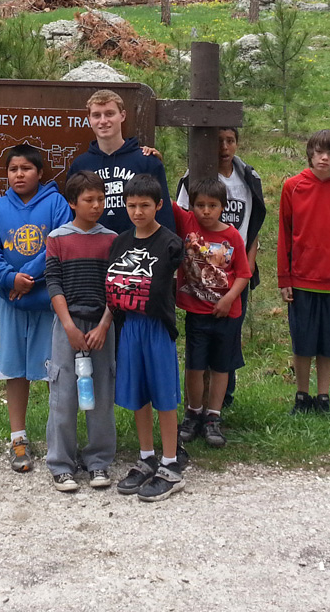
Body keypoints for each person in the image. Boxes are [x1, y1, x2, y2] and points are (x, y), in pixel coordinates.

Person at [0, 143, 71, 473]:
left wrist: (27, 276)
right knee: (14, 369)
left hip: (48, 300)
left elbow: (58, 243)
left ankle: (58, 437)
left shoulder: (57, 204)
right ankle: (18, 438)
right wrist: (8, 279)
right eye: (13, 169)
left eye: (26, 168)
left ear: (40, 172)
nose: (19, 174)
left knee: (54, 370)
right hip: (11, 302)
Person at [106, 174, 186, 502]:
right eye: (132, 205)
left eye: (145, 206)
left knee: (163, 394)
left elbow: (177, 286)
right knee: (138, 394)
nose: (138, 212)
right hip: (130, 327)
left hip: (157, 326)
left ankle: (171, 464)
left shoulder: (170, 242)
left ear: (159, 205)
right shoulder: (120, 241)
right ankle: (146, 455)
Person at [176, 127, 266, 410]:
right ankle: (196, 405)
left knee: (228, 337)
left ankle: (221, 403)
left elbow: (253, 225)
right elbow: (180, 218)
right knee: (198, 345)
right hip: (200, 276)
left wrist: (247, 268)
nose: (225, 147)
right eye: (218, 141)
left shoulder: (248, 178)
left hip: (235, 274)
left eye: (230, 140)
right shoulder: (195, 178)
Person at [277, 129, 330, 415]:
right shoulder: (292, 187)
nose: (323, 157)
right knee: (302, 342)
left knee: (328, 345)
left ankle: (323, 397)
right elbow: (285, 235)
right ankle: (301, 396)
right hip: (301, 281)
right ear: (310, 154)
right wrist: (284, 277)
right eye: (318, 152)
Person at [43, 171, 117, 491]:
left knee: (101, 393)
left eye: (101, 199)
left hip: (102, 325)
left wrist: (103, 325)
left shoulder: (113, 240)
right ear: (73, 202)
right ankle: (61, 463)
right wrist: (70, 326)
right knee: (64, 394)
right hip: (67, 326)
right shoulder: (57, 239)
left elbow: (117, 286)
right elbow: (53, 282)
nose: (96, 205)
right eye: (89, 200)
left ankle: (98, 461)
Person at [173, 178, 251, 448]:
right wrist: (154, 162)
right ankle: (193, 412)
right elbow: (164, 200)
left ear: (223, 207)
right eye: (200, 205)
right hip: (197, 312)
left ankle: (213, 417)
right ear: (192, 206)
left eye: (212, 205)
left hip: (226, 315)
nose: (205, 211)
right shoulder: (188, 225)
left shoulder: (232, 236)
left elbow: (243, 274)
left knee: (221, 367)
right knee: (194, 366)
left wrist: (229, 298)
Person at [68, 89, 173, 235]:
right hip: (93, 250)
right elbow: (72, 215)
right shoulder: (80, 165)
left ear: (122, 116)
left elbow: (164, 213)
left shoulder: (147, 162)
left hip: (139, 249)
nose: (103, 121)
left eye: (110, 114)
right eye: (97, 115)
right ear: (89, 119)